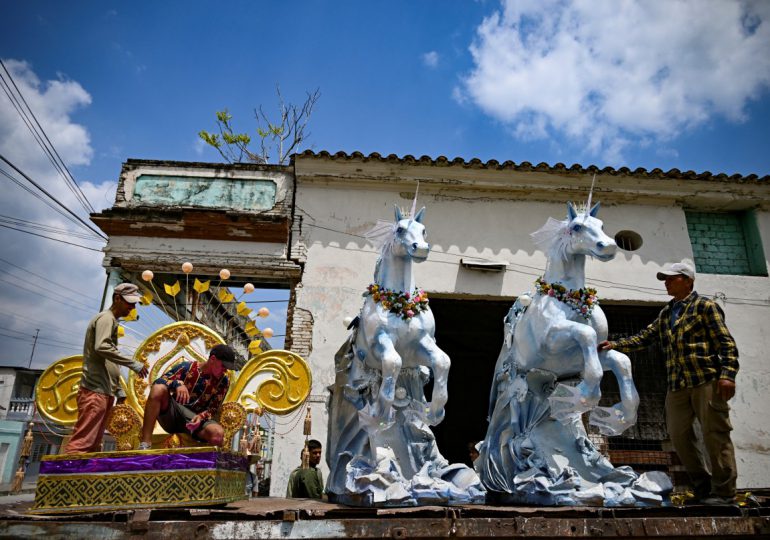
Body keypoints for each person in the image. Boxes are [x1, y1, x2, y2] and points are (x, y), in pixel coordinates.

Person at [598, 262, 739, 505]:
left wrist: (727, 374)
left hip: (705, 380)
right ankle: (702, 488)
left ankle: (724, 493)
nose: (666, 282)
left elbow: (725, 343)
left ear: (687, 280)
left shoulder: (705, 307)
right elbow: (646, 337)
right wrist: (616, 344)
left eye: (672, 279)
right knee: (678, 435)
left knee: (715, 434)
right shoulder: (666, 313)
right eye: (666, 279)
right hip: (677, 385)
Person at [65, 283, 149, 453]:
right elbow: (102, 347)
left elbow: (109, 359)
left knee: (93, 445)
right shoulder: (106, 318)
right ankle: (65, 476)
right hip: (95, 390)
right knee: (82, 445)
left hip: (103, 390)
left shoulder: (112, 321)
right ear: (117, 298)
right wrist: (133, 364)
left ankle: (81, 478)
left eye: (134, 304)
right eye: (129, 302)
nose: (132, 307)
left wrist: (118, 390)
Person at [139, 344, 236, 449]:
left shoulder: (224, 382)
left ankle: (206, 463)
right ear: (212, 359)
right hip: (173, 414)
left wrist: (200, 417)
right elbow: (158, 382)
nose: (225, 371)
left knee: (217, 434)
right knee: (158, 389)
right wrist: (177, 384)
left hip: (196, 421)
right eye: (223, 366)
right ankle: (145, 444)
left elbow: (212, 409)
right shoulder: (186, 367)